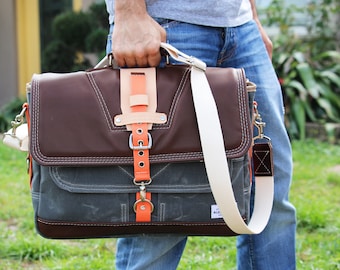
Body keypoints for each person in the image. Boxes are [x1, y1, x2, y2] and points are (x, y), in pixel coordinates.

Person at [104, 0, 297, 269]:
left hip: (240, 28)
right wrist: (128, 13)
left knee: (268, 182)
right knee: (161, 196)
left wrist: (252, 16)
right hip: (165, 24)